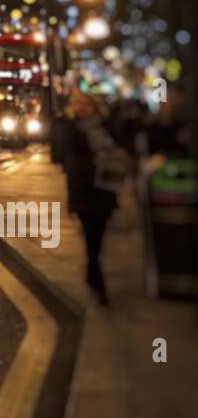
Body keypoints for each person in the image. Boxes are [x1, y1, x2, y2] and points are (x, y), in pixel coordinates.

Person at [59, 93, 126, 305]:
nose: (81, 107)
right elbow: (60, 150)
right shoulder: (72, 128)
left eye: (85, 103)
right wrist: (69, 120)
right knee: (90, 236)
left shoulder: (106, 125)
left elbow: (121, 143)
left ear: (94, 106)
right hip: (83, 191)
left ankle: (91, 271)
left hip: (105, 188)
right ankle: (98, 283)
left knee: (99, 236)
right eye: (77, 103)